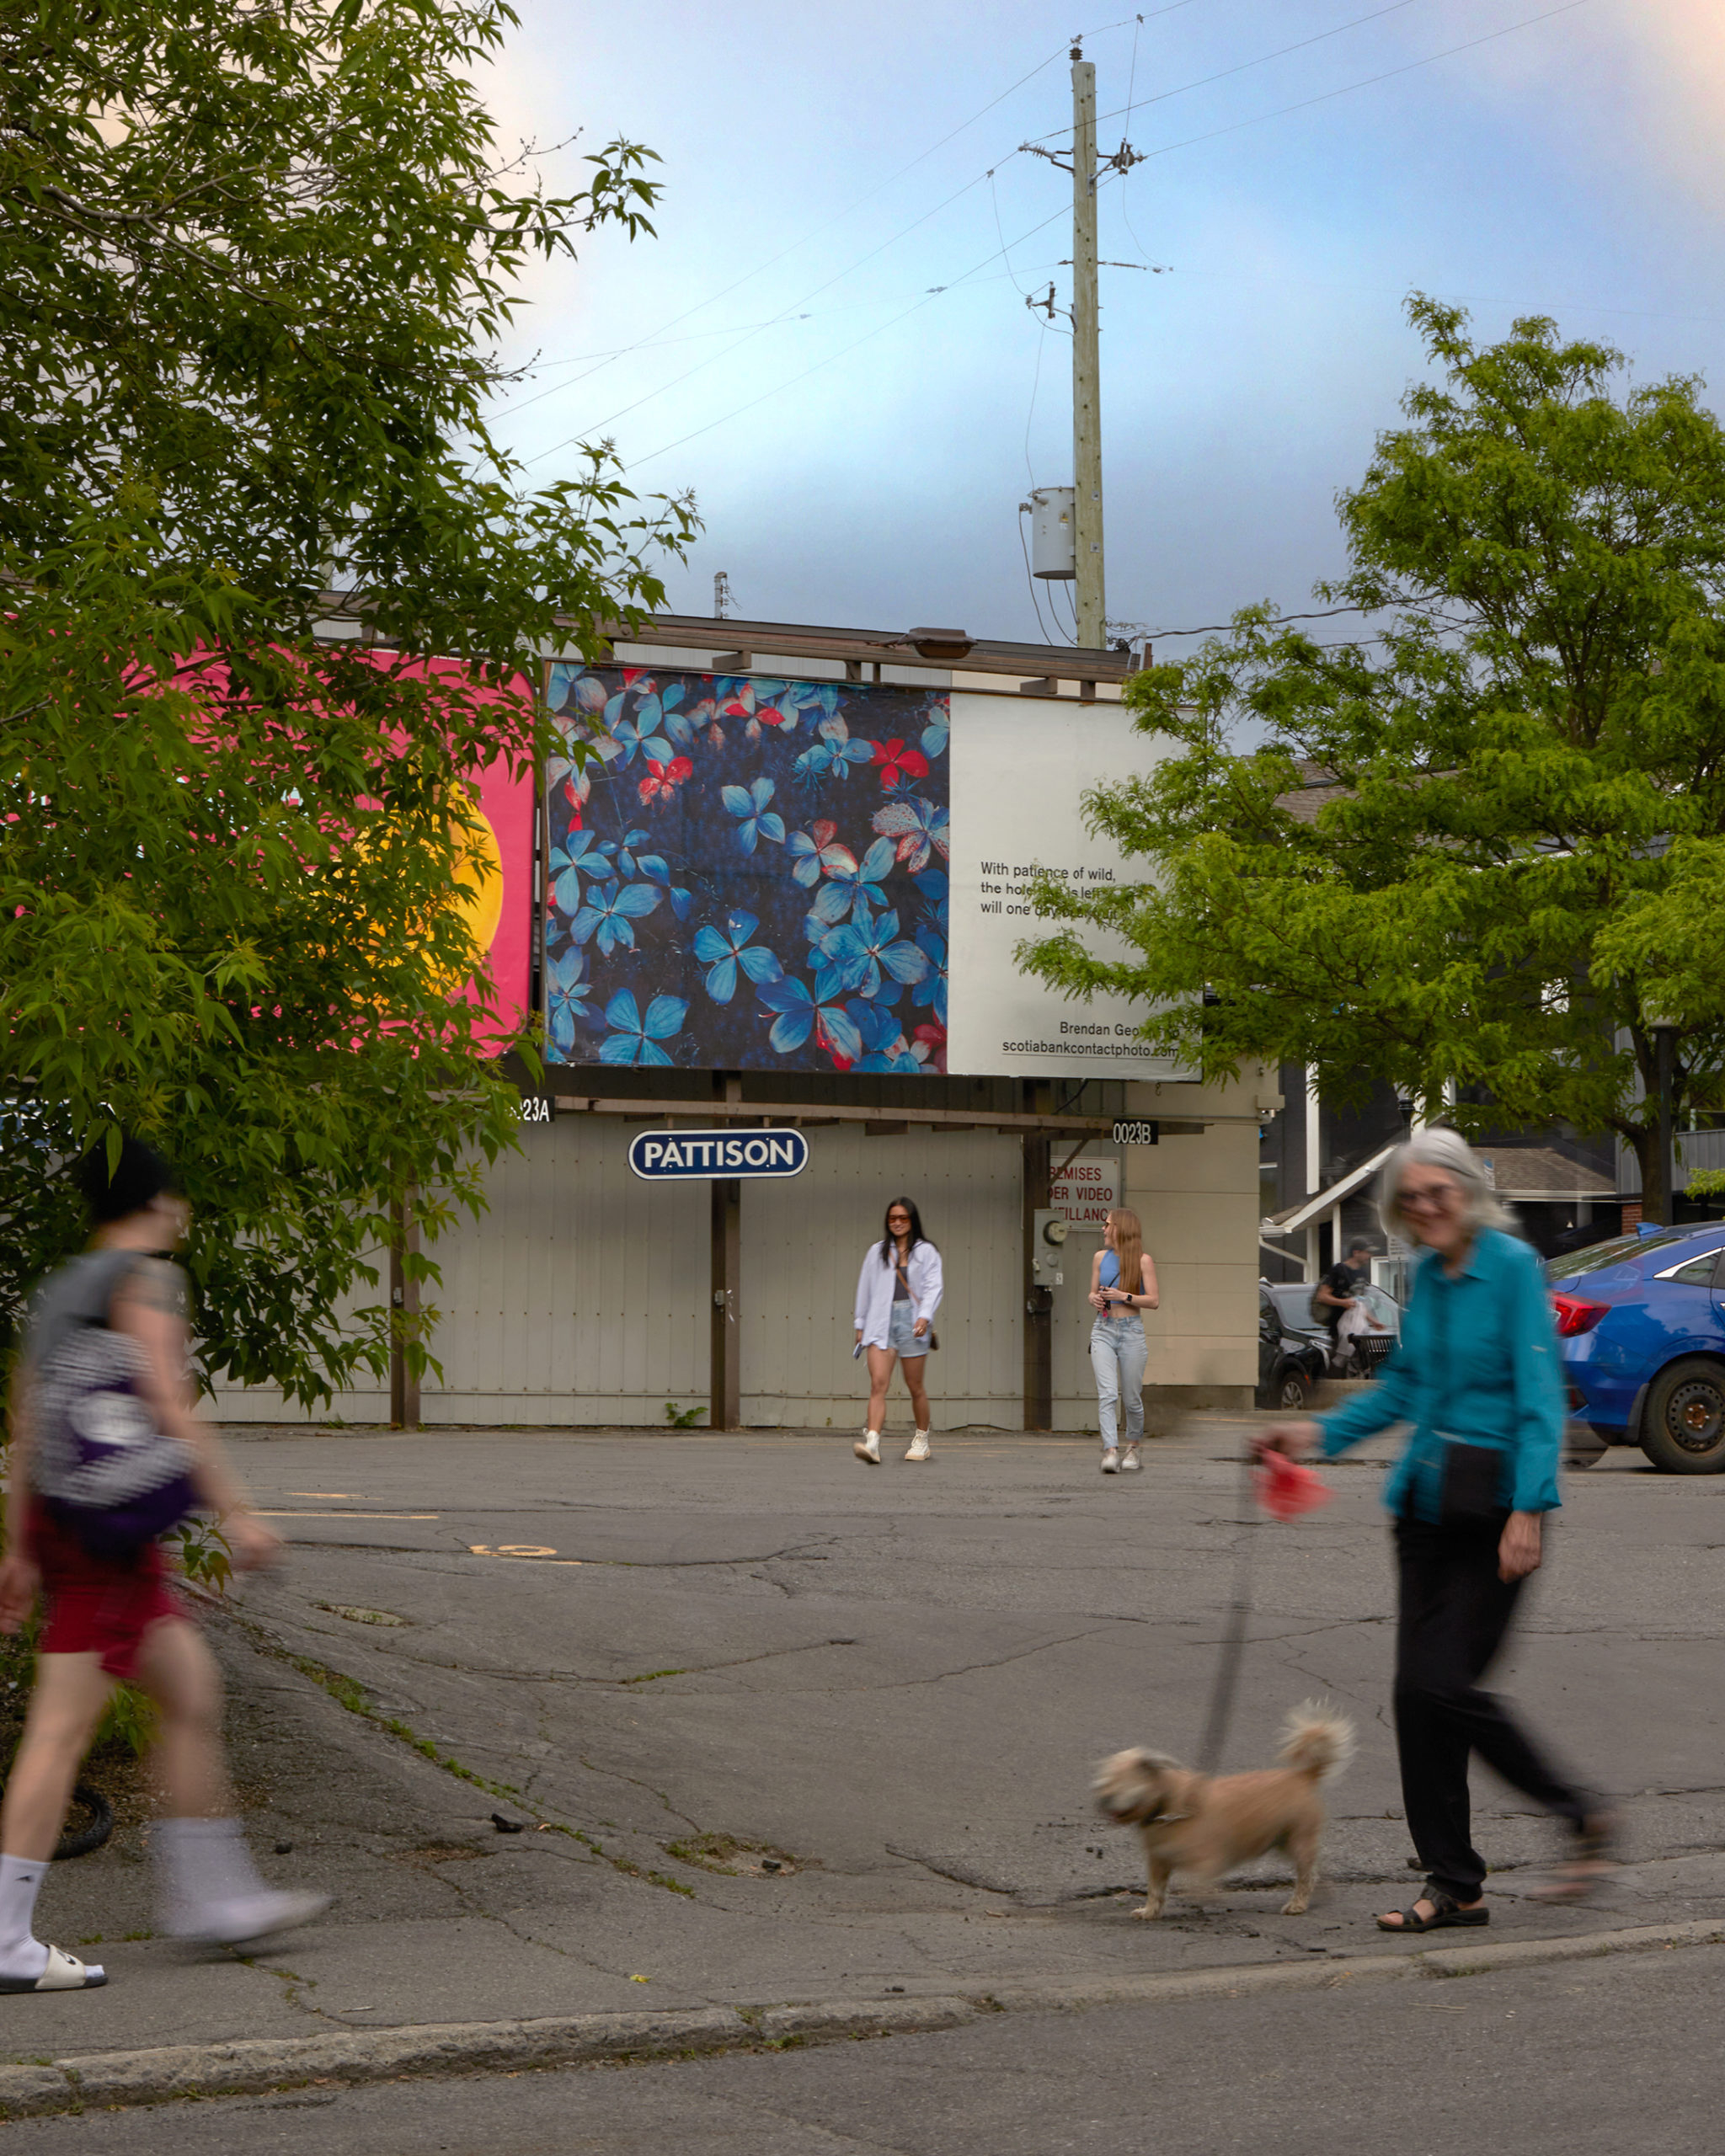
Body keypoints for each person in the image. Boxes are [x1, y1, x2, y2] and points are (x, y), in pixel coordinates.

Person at [1259, 1127, 1613, 1935]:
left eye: (1437, 1192)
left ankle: (1581, 1817)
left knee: (1446, 1687)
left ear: (1467, 1190)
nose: (1425, 1208)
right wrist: (1313, 1438)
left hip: (1495, 1513)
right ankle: (1455, 1884)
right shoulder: (1428, 1274)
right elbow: (1404, 1391)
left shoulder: (1512, 1268)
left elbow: (1536, 1395)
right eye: (1410, 1198)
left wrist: (1531, 1507)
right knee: (1417, 1701)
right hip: (1423, 1509)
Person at [0, 1138, 328, 1992]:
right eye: (175, 1195)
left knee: (188, 1691)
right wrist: (238, 1514)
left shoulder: (59, 1290)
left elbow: (28, 1428)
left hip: (71, 1524)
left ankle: (212, 1898)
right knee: (61, 1729)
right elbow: (169, 1404)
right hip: (109, 1534)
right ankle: (4, 1937)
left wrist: (18, 1547)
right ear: (156, 1200)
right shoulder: (144, 1279)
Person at [853, 1198, 943, 1465]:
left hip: (912, 1321)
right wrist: (860, 1324)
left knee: (915, 1386)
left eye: (903, 1218)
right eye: (893, 1218)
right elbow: (865, 1289)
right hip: (881, 1321)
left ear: (912, 1220)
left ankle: (921, 1439)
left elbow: (933, 1287)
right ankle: (873, 1443)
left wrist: (925, 1317)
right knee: (878, 1384)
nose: (897, 1223)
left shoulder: (926, 1252)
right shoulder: (877, 1252)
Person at [1088, 1209, 1159, 1474]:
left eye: (1107, 1225)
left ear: (1121, 1228)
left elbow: (1153, 1301)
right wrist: (1093, 1299)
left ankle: (1133, 1447)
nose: (1104, 1230)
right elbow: (1092, 1293)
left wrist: (1124, 1295)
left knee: (1131, 1398)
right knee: (1107, 1394)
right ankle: (1110, 1451)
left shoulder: (1143, 1261)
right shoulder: (1099, 1258)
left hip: (1132, 1331)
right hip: (1103, 1329)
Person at [1312, 1236, 1375, 1370]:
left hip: (1358, 1333)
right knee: (1338, 1367)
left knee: (1361, 1369)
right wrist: (1342, 1303)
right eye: (1367, 1252)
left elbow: (1360, 1303)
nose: (1369, 1256)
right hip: (1338, 1332)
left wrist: (1373, 1321)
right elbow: (1322, 1296)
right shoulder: (1338, 1270)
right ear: (1356, 1253)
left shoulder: (1363, 1273)